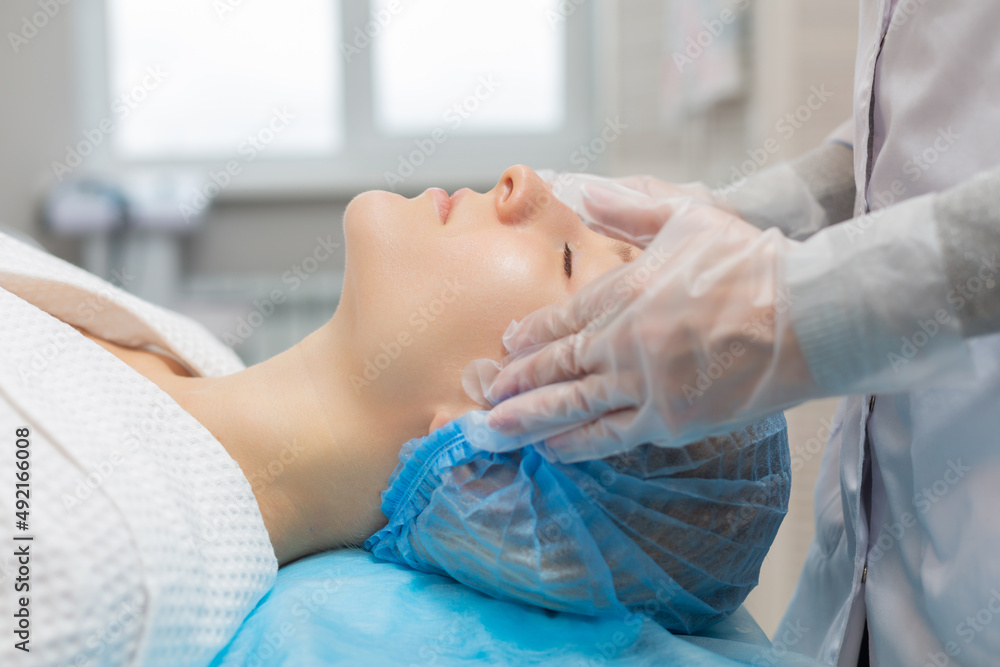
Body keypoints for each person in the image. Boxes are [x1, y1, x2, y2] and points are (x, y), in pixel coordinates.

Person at [1, 165, 794, 664]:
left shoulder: (75, 571)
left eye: (571, 259)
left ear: (492, 446)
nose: (529, 184)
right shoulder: (190, 352)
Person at [472, 4, 1000, 666]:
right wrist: (752, 211)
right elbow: (922, 128)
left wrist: (805, 307)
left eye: (571, 262)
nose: (516, 181)